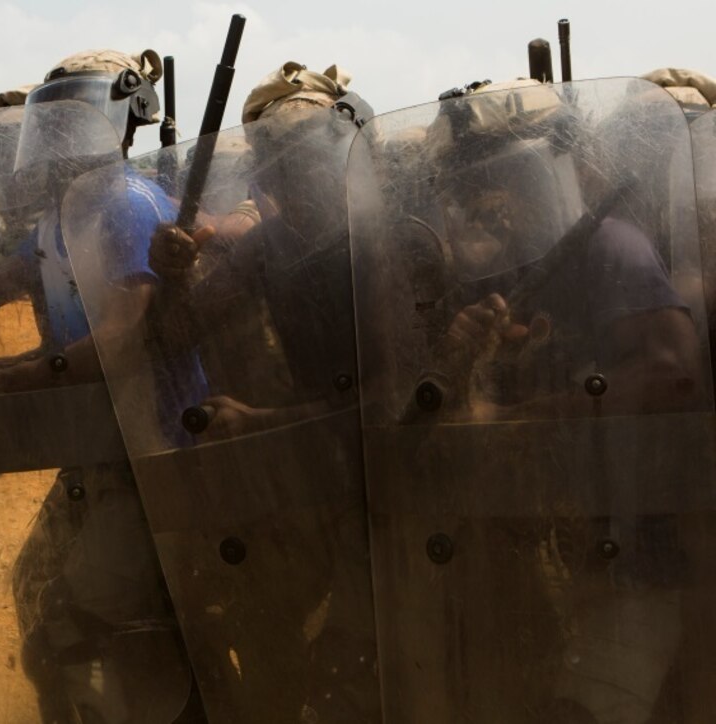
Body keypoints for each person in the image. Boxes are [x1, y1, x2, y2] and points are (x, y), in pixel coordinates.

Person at [348, 77, 709, 723]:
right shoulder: (493, 275)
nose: (485, 197)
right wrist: (460, 368)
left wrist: (523, 419)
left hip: (634, 563)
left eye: (503, 174)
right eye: (463, 181)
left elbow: (672, 371)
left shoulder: (610, 249)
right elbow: (440, 431)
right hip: (534, 574)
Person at [79, 62, 381, 722]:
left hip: (391, 491)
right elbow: (176, 332)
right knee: (262, 630)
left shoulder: (393, 243)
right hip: (311, 479)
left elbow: (395, 400)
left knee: (358, 667)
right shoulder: (269, 247)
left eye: (300, 161)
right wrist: (175, 274)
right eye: (274, 162)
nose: (280, 178)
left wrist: (264, 422)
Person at [0, 50, 204, 723]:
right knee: (38, 592)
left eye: (77, 118)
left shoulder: (126, 205)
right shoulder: (59, 218)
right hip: (98, 449)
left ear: (124, 118)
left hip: (153, 454)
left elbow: (119, 340)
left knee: (85, 621)